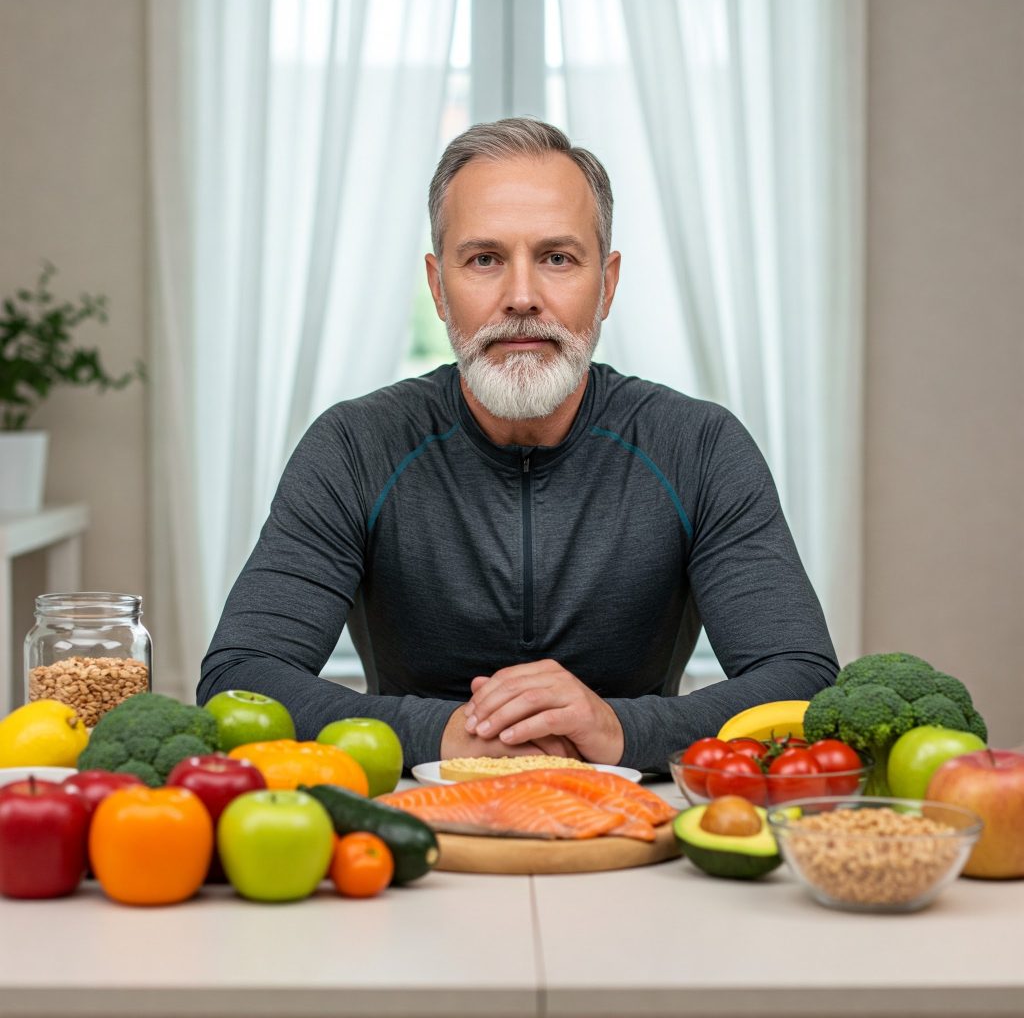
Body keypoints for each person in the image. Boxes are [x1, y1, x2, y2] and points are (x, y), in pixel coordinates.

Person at [198, 118, 837, 773]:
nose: (523, 298)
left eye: (557, 258)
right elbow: (240, 677)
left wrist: (616, 727)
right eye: (485, 259)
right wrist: (446, 733)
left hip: (640, 813)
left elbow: (802, 680)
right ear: (438, 286)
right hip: (410, 817)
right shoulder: (353, 447)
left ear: (608, 284)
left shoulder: (700, 447)